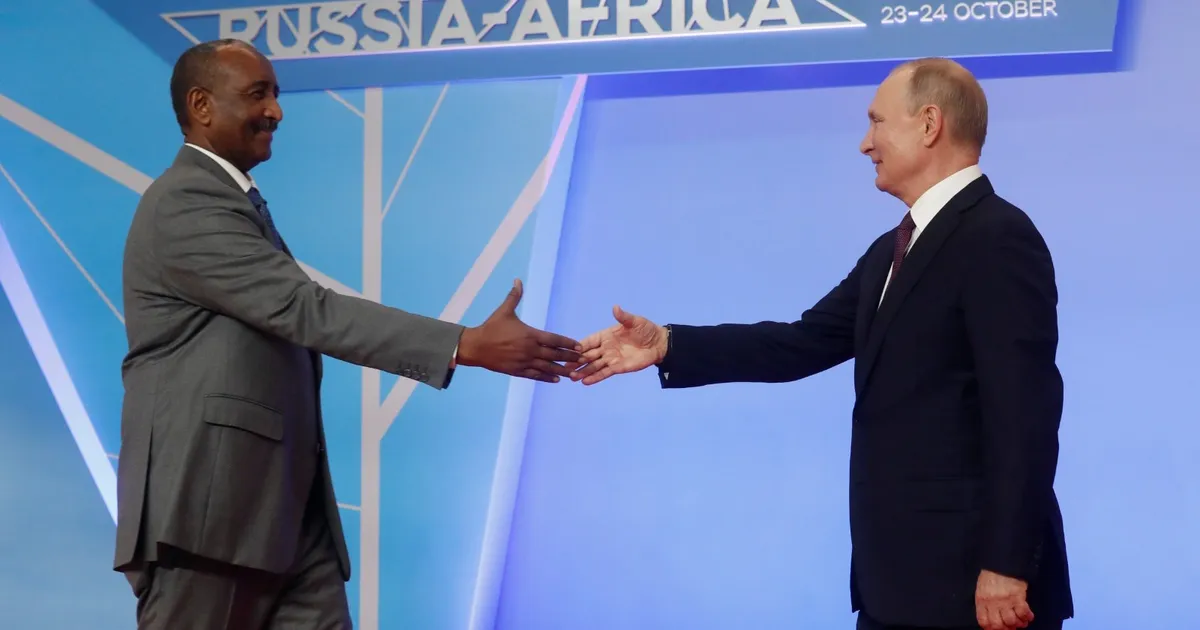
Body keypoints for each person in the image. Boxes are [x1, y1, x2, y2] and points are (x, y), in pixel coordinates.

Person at [568, 58, 1072, 630]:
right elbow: (800, 342)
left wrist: (1006, 564)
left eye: (877, 122)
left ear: (930, 124)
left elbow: (1024, 413)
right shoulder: (891, 250)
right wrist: (667, 345)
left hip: (980, 590)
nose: (865, 143)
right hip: (898, 586)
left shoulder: (998, 237)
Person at [114, 39, 580, 629]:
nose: (276, 111)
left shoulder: (230, 200)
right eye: (258, 94)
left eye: (276, 94)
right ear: (201, 105)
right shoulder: (186, 200)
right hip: (210, 514)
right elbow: (303, 308)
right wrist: (462, 344)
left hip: (284, 515)